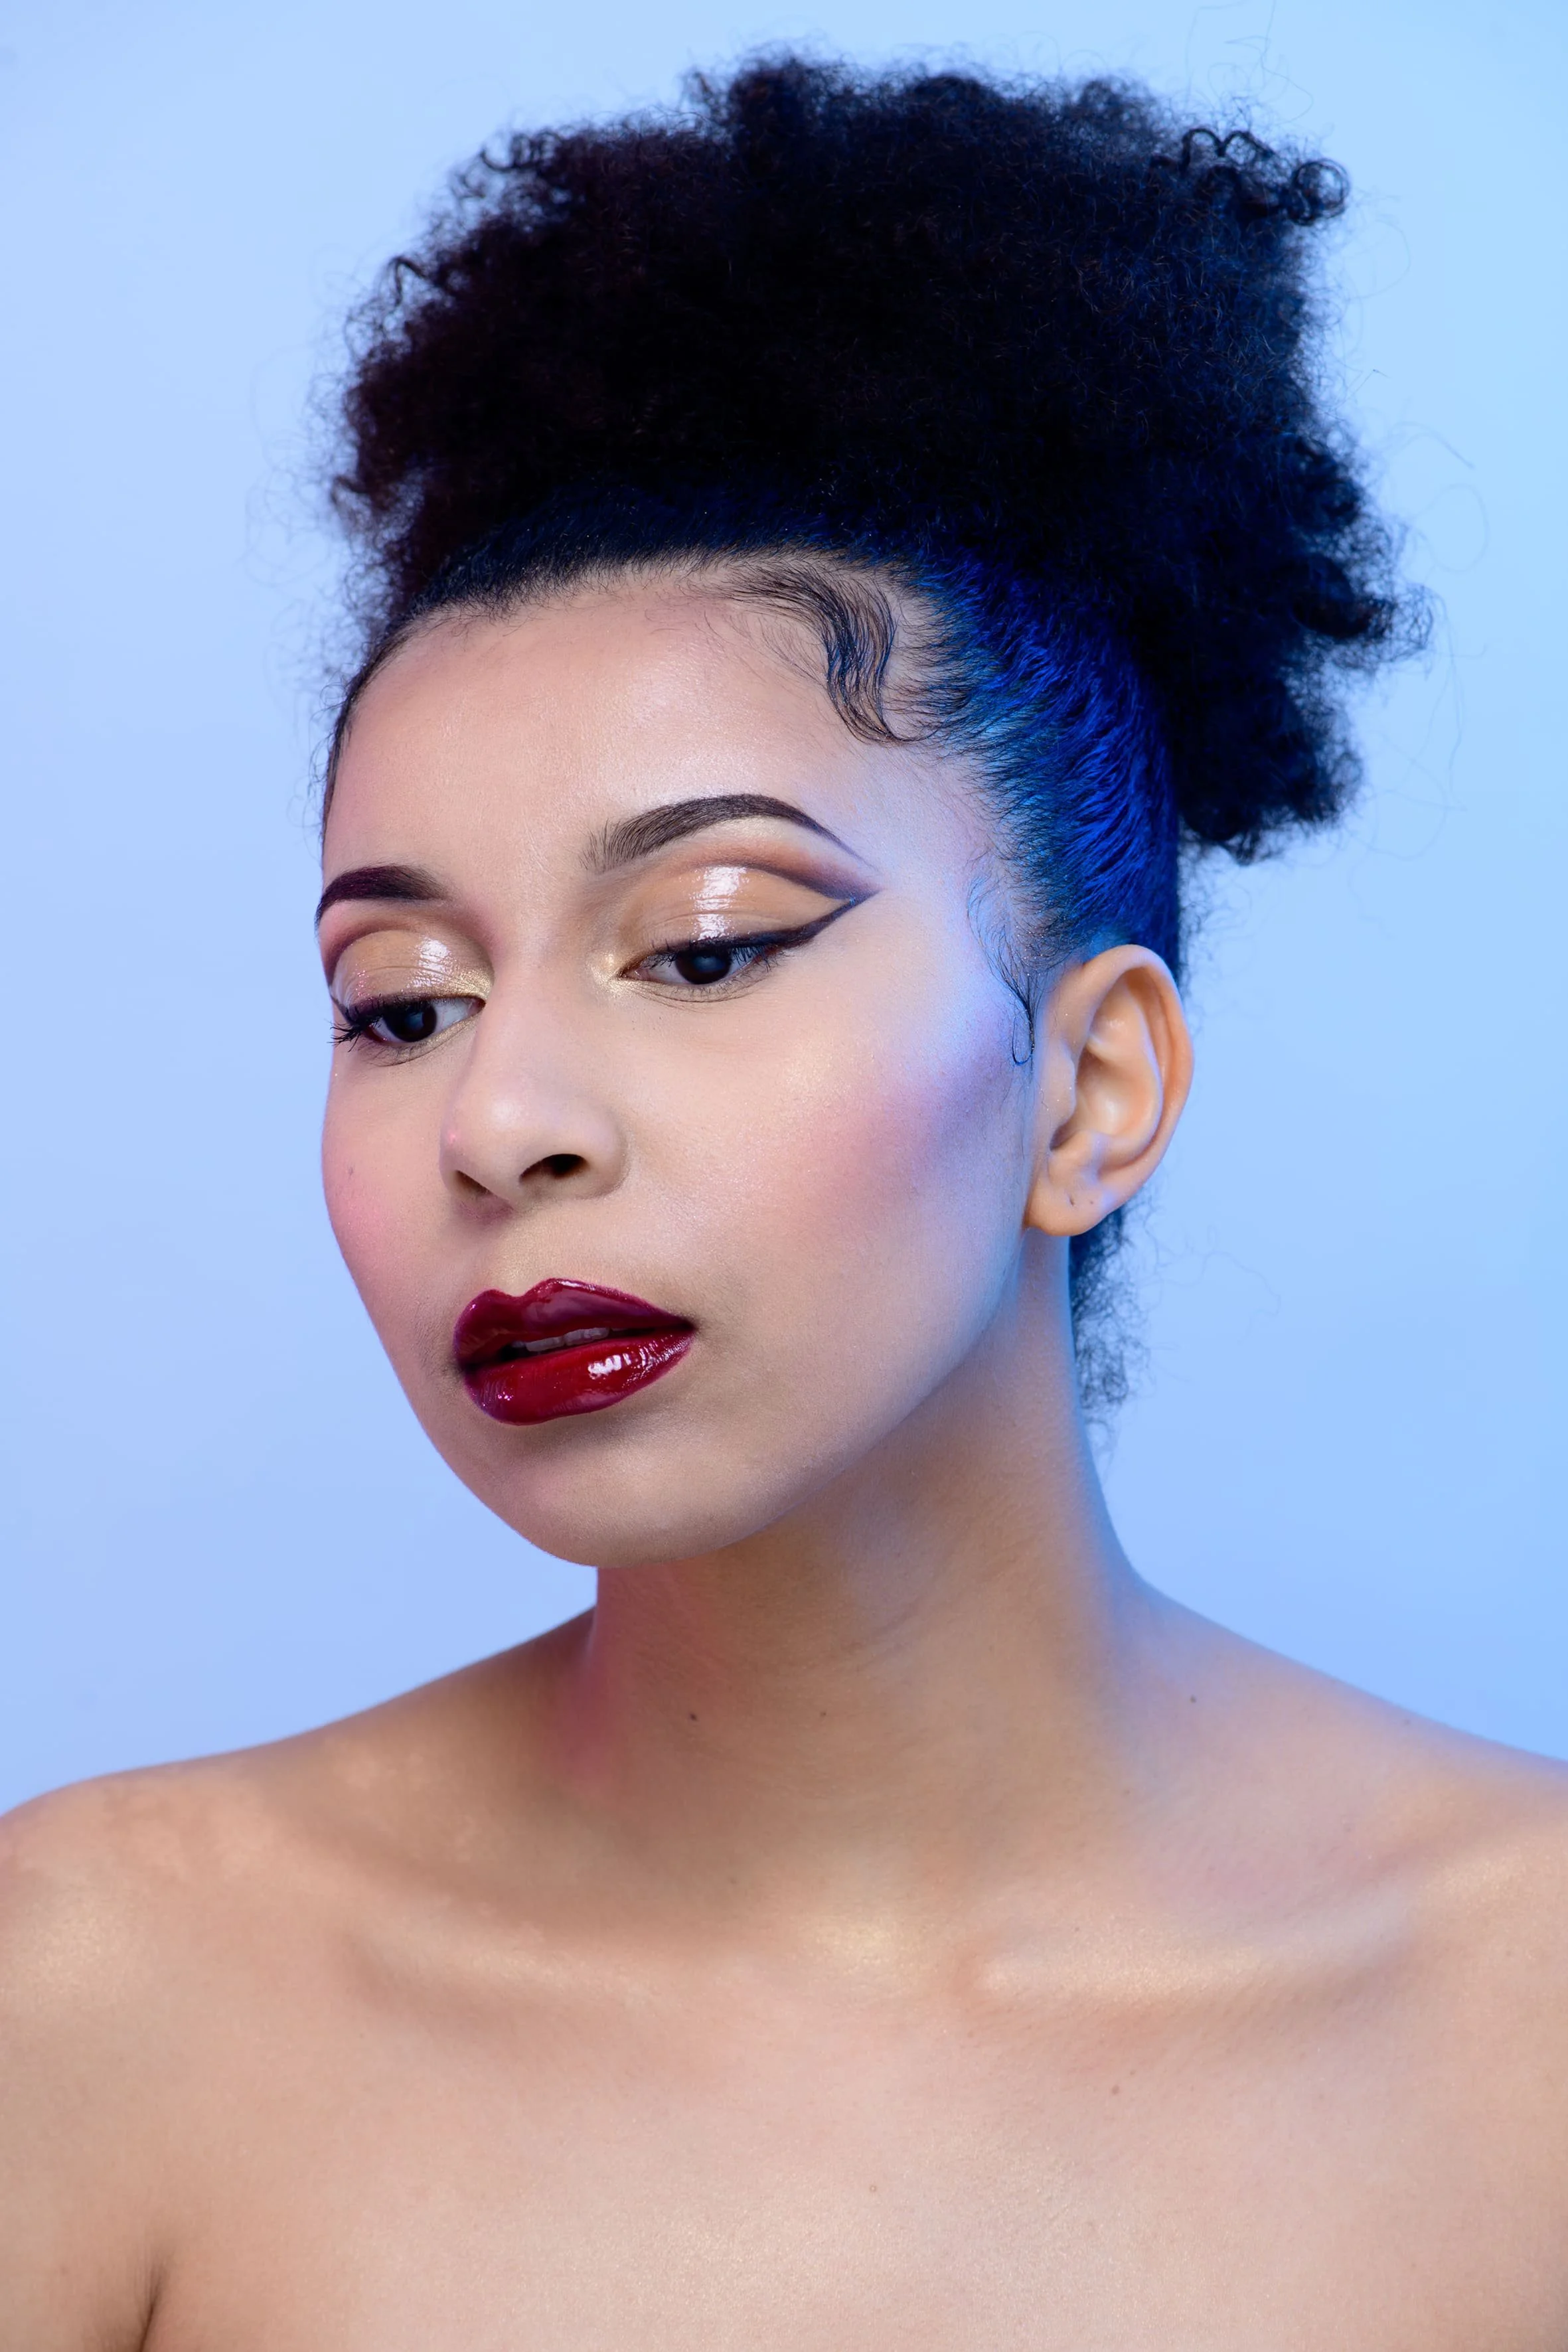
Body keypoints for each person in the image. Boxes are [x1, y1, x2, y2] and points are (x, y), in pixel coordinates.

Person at [3, 55, 1566, 2348]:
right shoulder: (103, 1991)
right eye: (401, 997)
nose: (500, 1115)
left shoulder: (1525, 2029)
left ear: (1093, 1083)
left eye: (710, 944)